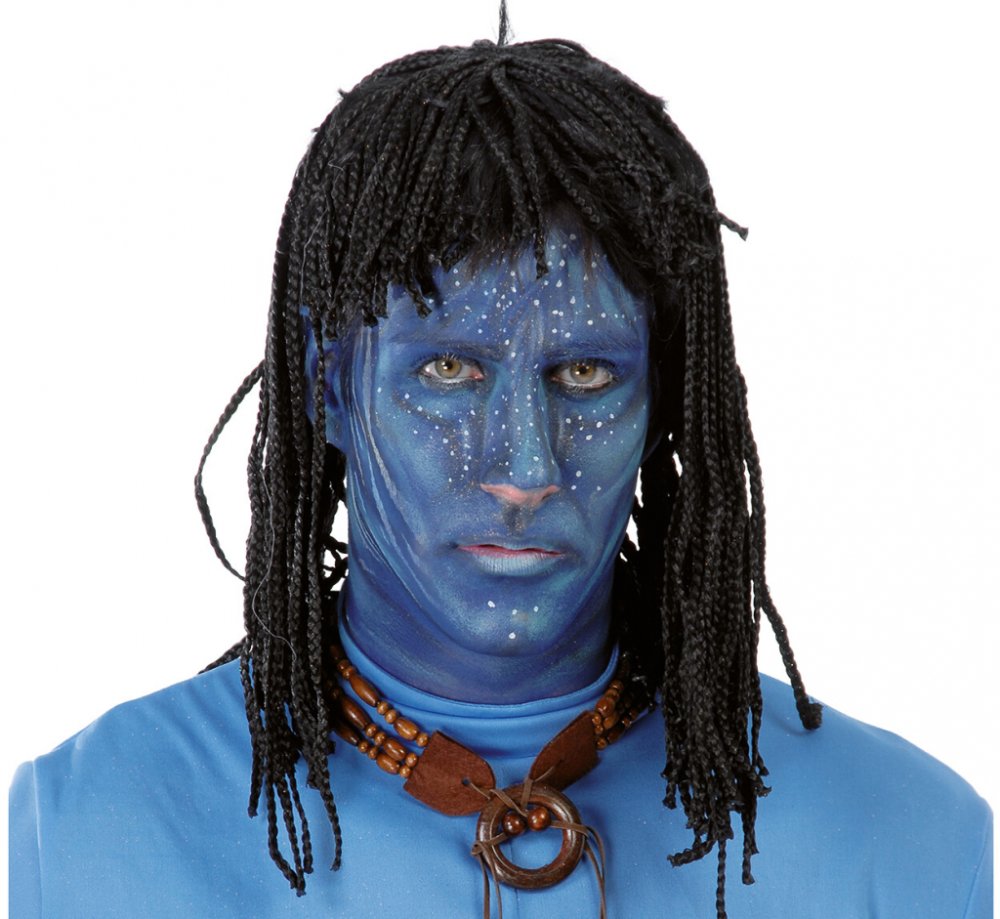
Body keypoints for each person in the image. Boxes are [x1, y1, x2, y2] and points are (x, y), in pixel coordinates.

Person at [9, 26, 992, 919]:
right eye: (447, 370)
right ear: (326, 387)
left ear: (664, 402)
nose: (525, 468)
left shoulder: (913, 843)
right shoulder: (78, 833)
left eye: (585, 373)